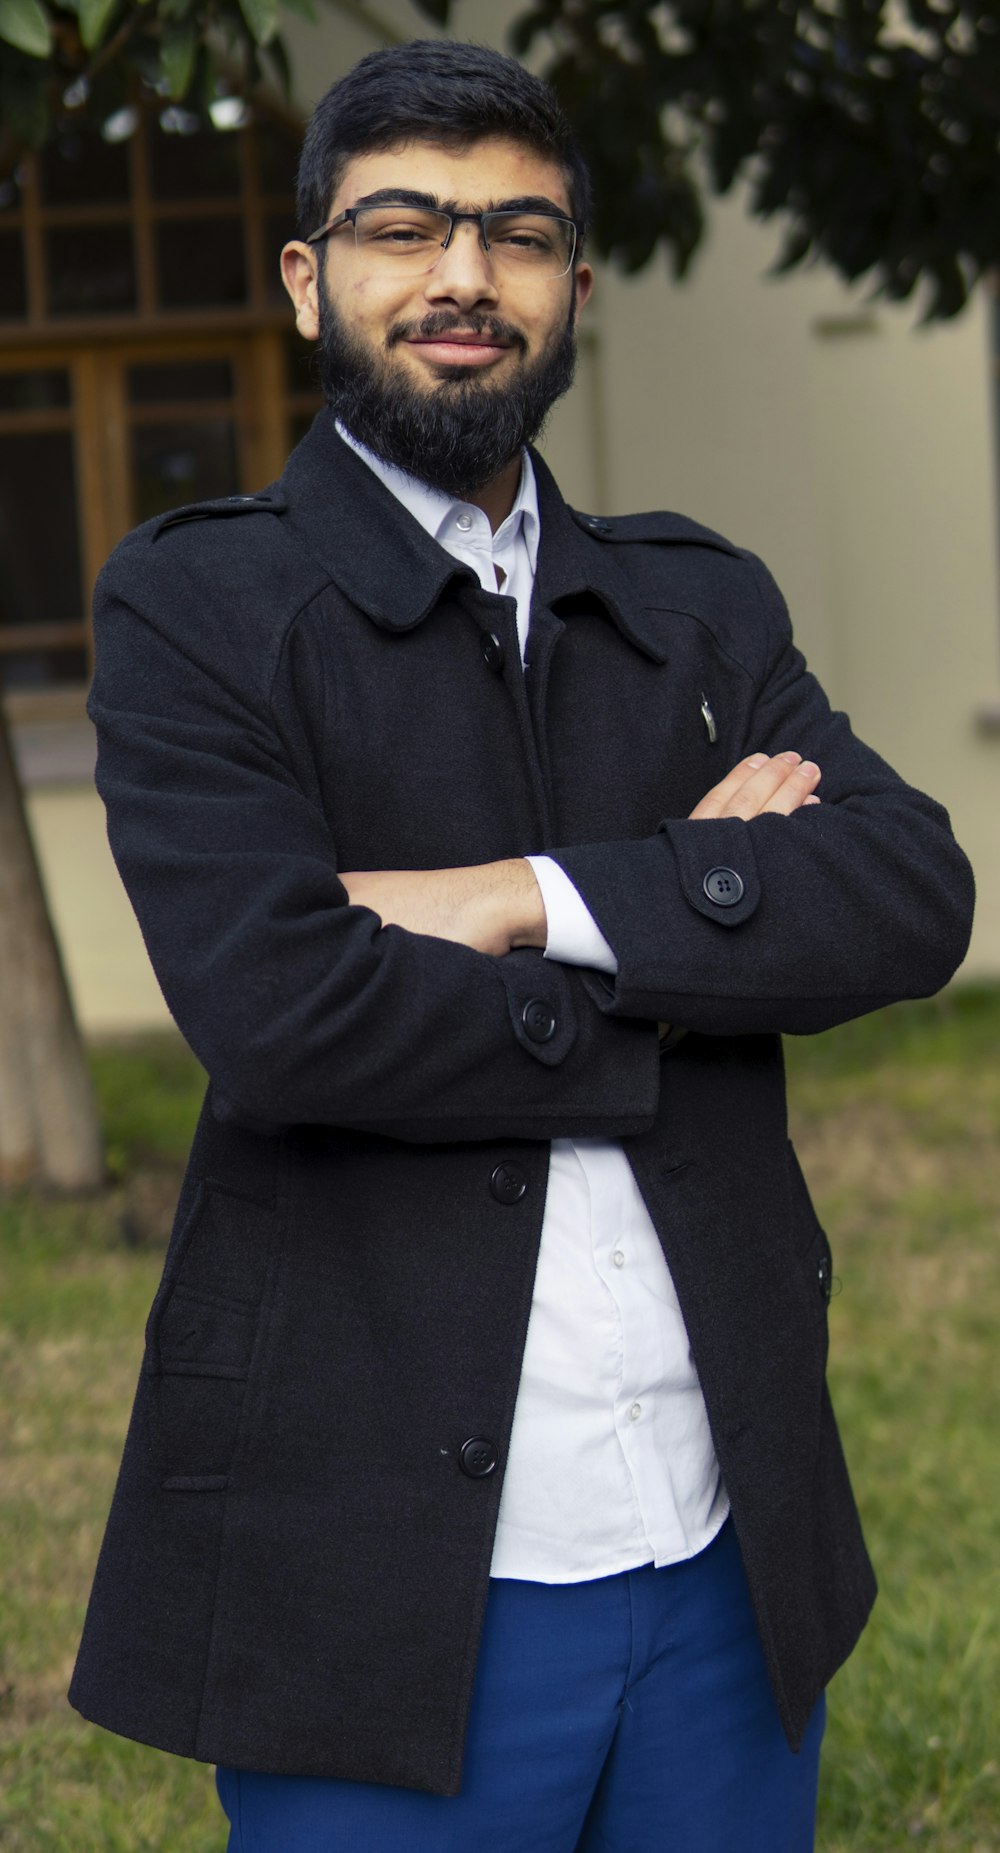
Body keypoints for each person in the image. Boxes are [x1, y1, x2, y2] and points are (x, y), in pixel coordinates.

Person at [70, 37, 974, 1853]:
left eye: (521, 232)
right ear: (313, 276)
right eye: (405, 226)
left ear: (576, 284)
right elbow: (284, 1017)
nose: (466, 274)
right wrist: (687, 924)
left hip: (724, 1540)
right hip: (383, 1571)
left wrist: (515, 897)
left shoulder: (696, 601)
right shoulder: (198, 604)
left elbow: (910, 893)